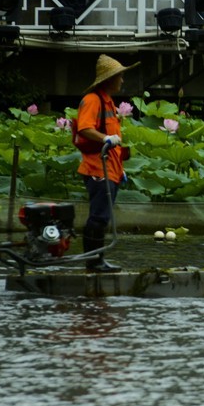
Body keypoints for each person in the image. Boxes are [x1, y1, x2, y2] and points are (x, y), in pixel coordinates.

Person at [75, 54, 138, 273]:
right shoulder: (92, 100)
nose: (122, 80)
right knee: (98, 217)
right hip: (97, 169)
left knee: (102, 217)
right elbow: (84, 128)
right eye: (119, 76)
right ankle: (93, 262)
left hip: (111, 170)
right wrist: (104, 139)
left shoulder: (108, 102)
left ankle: (97, 260)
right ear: (109, 78)